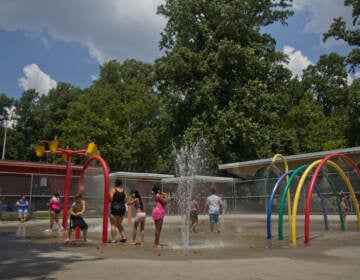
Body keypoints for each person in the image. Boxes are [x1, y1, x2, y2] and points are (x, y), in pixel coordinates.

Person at [109, 178, 127, 244]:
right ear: (121, 184)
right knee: (119, 224)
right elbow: (125, 200)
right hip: (122, 208)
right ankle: (123, 237)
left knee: (113, 224)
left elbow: (110, 199)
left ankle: (113, 240)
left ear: (115, 183)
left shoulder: (113, 190)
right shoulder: (123, 191)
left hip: (115, 208)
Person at [151, 183, 168, 249]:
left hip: (157, 211)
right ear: (159, 190)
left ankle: (157, 242)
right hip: (159, 212)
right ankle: (156, 244)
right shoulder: (158, 195)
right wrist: (166, 195)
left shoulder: (156, 195)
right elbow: (165, 201)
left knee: (158, 229)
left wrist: (162, 194)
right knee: (158, 229)